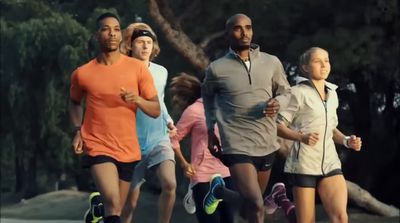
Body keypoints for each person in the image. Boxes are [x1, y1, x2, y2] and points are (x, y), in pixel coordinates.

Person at [69, 13, 160, 223]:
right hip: (97, 143)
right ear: (97, 35)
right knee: (112, 201)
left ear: (121, 35)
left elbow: (155, 109)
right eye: (106, 29)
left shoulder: (137, 68)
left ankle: (96, 211)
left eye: (117, 29)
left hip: (128, 148)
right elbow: (74, 102)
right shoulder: (83, 73)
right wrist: (77, 130)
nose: (112, 33)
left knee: (116, 209)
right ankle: (102, 206)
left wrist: (137, 99)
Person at [202, 13, 291, 223]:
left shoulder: (271, 62)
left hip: (266, 142)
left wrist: (278, 104)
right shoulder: (216, 68)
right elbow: (207, 98)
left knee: (251, 208)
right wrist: (210, 129)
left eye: (248, 27)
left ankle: (220, 192)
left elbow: (287, 92)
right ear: (228, 34)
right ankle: (236, 195)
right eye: (237, 28)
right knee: (257, 205)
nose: (244, 33)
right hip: (236, 143)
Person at [276, 47, 362, 223]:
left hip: (330, 162)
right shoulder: (297, 93)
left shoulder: (333, 94)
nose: (324, 65)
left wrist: (346, 141)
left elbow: (331, 128)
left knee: (340, 218)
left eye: (327, 60)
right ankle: (282, 201)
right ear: (305, 67)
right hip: (304, 164)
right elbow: (277, 126)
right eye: (317, 61)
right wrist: (300, 137)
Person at [119, 22, 177, 223]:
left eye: (149, 42)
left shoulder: (161, 71)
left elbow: (159, 99)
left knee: (170, 184)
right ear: (130, 46)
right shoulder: (121, 70)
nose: (145, 46)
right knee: (129, 204)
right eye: (140, 42)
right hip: (130, 144)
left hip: (158, 138)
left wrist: (169, 120)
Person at [169, 73, 235, 223]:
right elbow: (174, 138)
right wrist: (184, 163)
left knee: (228, 219)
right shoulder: (194, 110)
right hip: (203, 175)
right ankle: (193, 191)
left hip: (226, 172)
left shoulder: (229, 108)